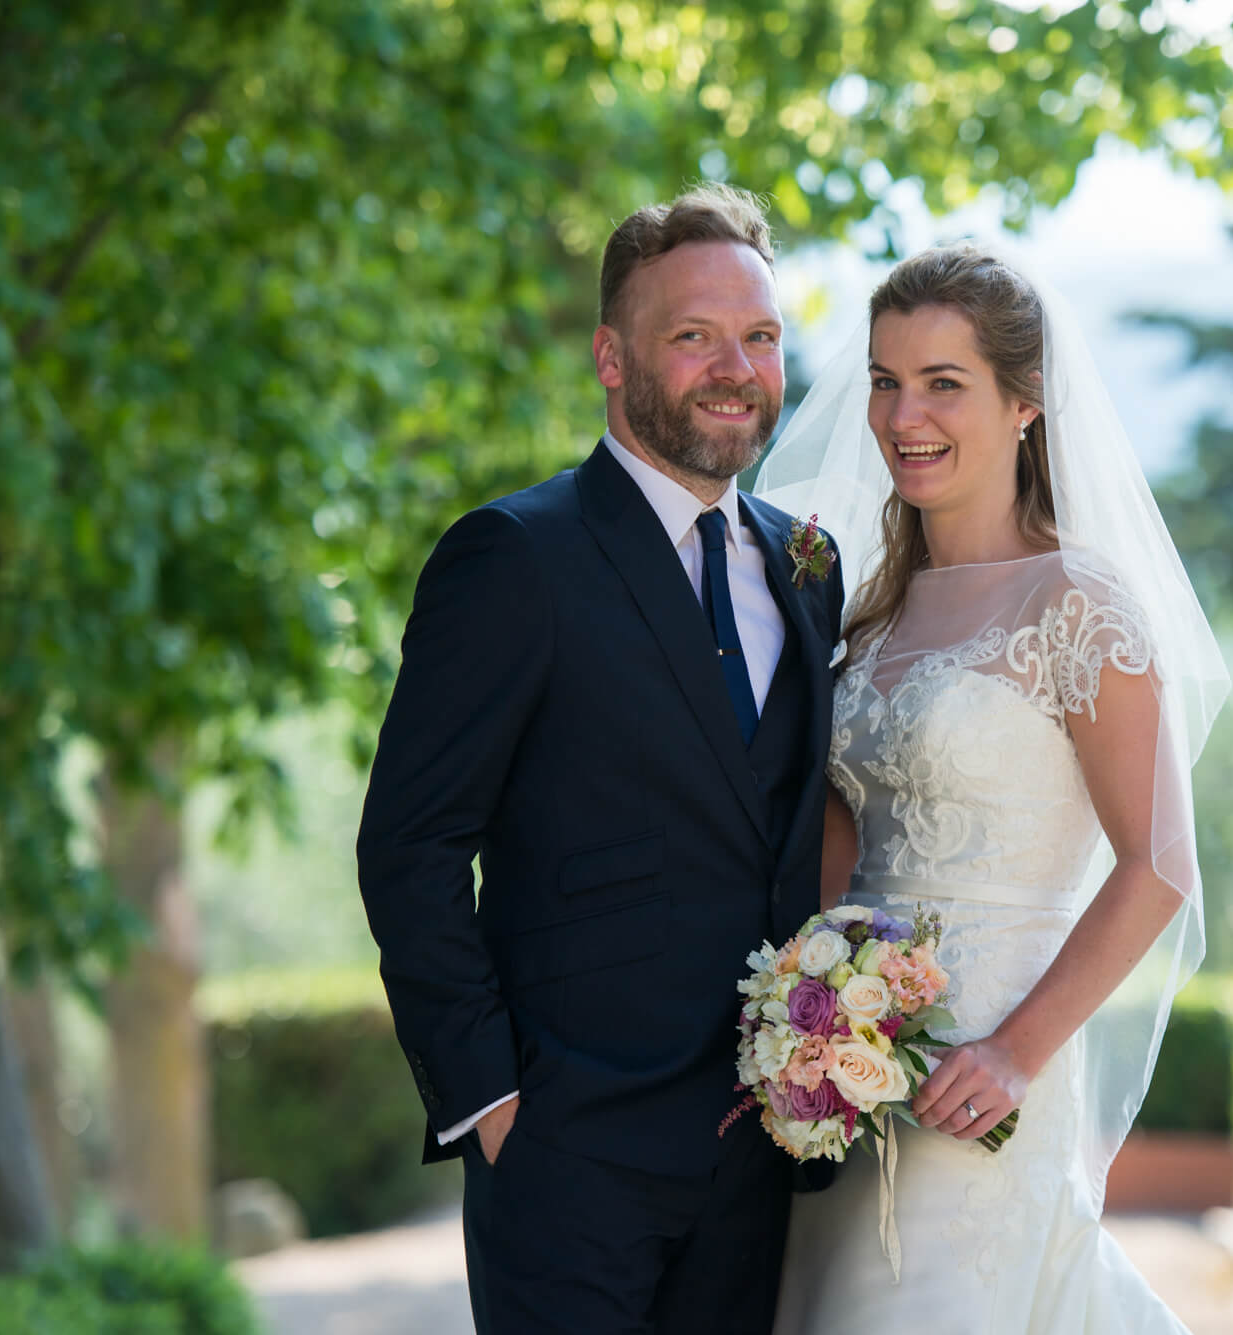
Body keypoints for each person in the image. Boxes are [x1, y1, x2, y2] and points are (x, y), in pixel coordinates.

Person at [355, 184, 846, 1335]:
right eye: (693, 337)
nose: (735, 366)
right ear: (611, 359)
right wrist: (492, 1102)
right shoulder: (513, 557)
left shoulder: (807, 565)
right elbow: (410, 847)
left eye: (759, 337)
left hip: (759, 1162)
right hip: (568, 1159)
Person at [758, 245, 1228, 1333]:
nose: (901, 414)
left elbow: (1157, 865)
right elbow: (837, 837)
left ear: (1024, 404)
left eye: (941, 383)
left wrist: (1013, 1054)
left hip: (988, 1067)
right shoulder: (871, 613)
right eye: (884, 380)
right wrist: (798, 1013)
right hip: (847, 1066)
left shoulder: (1078, 602)